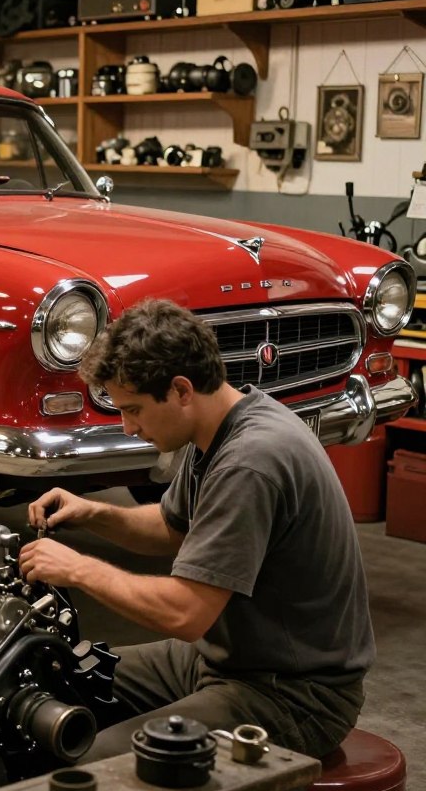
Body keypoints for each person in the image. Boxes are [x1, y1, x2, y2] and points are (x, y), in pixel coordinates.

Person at [19, 297, 373, 762]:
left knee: (91, 766)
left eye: (135, 410)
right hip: (224, 658)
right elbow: (173, 527)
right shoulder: (215, 426)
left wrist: (79, 569)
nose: (128, 428)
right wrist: (91, 513)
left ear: (182, 390)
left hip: (294, 694)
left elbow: (186, 615)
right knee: (48, 681)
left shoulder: (251, 461)